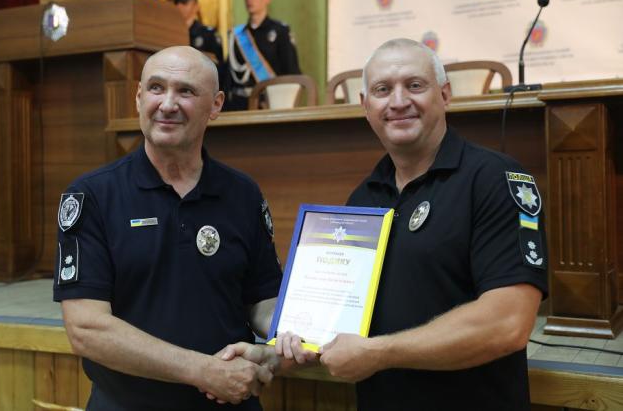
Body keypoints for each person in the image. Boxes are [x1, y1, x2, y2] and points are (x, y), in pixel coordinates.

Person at [221, 38, 548, 410]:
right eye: (382, 90)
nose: (398, 101)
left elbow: (508, 322)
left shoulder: (495, 179)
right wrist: (273, 357)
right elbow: (339, 327)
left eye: (415, 85)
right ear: (365, 106)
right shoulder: (363, 199)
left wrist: (379, 353)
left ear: (445, 94)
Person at [53, 46, 283, 410]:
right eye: (156, 88)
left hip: (231, 400)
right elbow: (86, 329)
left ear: (216, 105)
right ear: (139, 97)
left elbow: (262, 299)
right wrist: (203, 371)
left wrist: (293, 333)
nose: (168, 104)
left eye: (186, 91)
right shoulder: (93, 196)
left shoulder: (243, 193)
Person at [225, 0, 301, 111]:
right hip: (238, 105)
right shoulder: (237, 35)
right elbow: (227, 76)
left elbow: (291, 73)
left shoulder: (280, 31)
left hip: (268, 104)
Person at [172, 0, 225, 81]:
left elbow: (219, 70)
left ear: (196, 6)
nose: (179, 6)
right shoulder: (168, 33)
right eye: (176, 2)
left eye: (184, 2)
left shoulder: (208, 35)